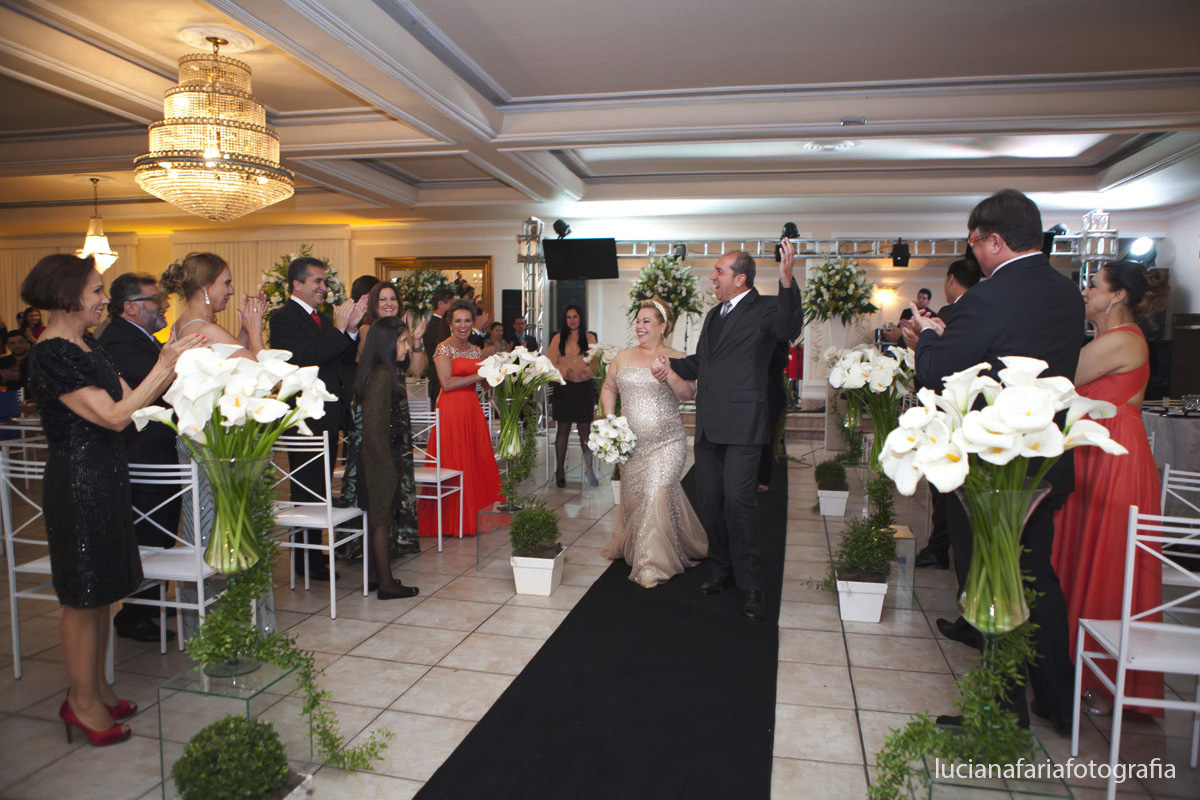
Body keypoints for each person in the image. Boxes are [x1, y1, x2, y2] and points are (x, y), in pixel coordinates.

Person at [910, 188, 1084, 731]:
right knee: (1036, 577)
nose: (974, 254)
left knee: (987, 576)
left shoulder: (984, 300)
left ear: (995, 240)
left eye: (975, 242)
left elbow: (938, 376)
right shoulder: (1066, 294)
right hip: (1045, 461)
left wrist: (927, 339)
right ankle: (1058, 699)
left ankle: (1001, 716)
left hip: (991, 467)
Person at [23, 254, 202, 746]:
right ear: (67, 295)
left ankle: (97, 688)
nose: (105, 300)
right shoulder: (52, 353)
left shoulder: (88, 347)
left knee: (103, 592)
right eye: (97, 290)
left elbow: (137, 399)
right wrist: (164, 362)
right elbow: (115, 416)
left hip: (108, 477)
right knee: (83, 598)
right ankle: (79, 703)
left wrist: (178, 363)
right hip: (78, 483)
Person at [653, 244, 802, 621]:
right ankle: (721, 570)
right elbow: (702, 362)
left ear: (740, 278)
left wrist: (787, 281)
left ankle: (753, 585)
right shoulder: (713, 315)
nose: (712, 277)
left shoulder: (767, 307)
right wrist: (666, 362)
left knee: (739, 502)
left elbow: (789, 327)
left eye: (718, 271)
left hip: (745, 425)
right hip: (709, 424)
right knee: (711, 502)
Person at [1052, 260, 1170, 717]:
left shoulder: (1122, 341)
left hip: (1113, 459)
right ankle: (1075, 666)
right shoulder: (1110, 339)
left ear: (1118, 296)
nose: (1086, 293)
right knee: (1083, 549)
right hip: (1094, 452)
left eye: (1094, 285)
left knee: (1105, 557)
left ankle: (1097, 672)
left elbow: (1063, 378)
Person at [269, 256, 368, 580]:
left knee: (321, 488)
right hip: (306, 417)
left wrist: (350, 329)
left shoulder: (320, 318)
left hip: (328, 413)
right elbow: (305, 360)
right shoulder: (283, 318)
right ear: (297, 284)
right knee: (305, 491)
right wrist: (340, 328)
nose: (324, 288)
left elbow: (338, 354)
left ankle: (316, 559)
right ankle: (306, 563)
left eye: (325, 282)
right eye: (318, 282)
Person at [599, 299, 708, 587]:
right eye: (637, 320)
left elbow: (687, 394)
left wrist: (669, 373)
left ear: (663, 326)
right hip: (631, 446)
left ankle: (652, 565)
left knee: (657, 494)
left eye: (647, 321)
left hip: (667, 443)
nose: (639, 326)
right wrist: (611, 420)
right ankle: (669, 543)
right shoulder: (622, 357)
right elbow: (609, 388)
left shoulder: (678, 356)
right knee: (638, 499)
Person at [98, 272, 179, 644]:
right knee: (148, 531)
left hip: (156, 447)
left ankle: (150, 604)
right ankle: (136, 613)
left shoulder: (141, 337)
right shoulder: (119, 340)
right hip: (142, 451)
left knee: (159, 529)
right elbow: (152, 384)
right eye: (154, 300)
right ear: (130, 307)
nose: (163, 305)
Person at [342, 280, 426, 557]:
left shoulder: (399, 333)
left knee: (397, 473)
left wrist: (414, 339)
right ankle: (366, 549)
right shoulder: (370, 331)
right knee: (378, 478)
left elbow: (415, 370)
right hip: (376, 404)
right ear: (374, 304)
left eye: (393, 298)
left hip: (396, 402)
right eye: (383, 299)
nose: (389, 303)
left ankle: (394, 541)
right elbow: (368, 365)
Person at [910, 258, 982, 570]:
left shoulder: (954, 313)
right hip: (976, 417)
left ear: (952, 280)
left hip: (953, 415)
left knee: (945, 488)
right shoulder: (982, 308)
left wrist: (923, 342)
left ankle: (940, 546)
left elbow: (935, 371)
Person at [417, 299, 503, 537]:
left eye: (467, 320)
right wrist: (478, 374)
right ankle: (451, 520)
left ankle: (473, 516)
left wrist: (495, 370)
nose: (463, 325)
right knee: (454, 459)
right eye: (458, 321)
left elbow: (483, 384)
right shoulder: (443, 349)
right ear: (450, 323)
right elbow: (447, 382)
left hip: (472, 408)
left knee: (474, 459)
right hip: (451, 409)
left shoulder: (475, 350)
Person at [354, 316, 424, 599]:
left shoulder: (383, 371)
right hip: (379, 458)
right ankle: (386, 583)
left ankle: (375, 576)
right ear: (386, 344)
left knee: (381, 518)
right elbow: (374, 429)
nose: (407, 348)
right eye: (403, 341)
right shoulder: (382, 375)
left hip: (383, 455)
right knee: (382, 520)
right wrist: (387, 467)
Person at [161, 252, 265, 357]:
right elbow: (260, 371)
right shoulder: (209, 332)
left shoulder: (179, 324)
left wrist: (245, 330)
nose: (231, 291)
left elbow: (233, 359)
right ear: (204, 285)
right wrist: (254, 330)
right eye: (227, 283)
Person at [547, 304, 599, 488]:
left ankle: (590, 470)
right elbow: (550, 364)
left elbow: (597, 363)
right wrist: (565, 371)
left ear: (580, 318)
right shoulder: (558, 338)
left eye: (575, 316)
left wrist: (587, 371)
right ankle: (560, 470)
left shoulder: (590, 337)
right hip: (564, 388)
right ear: (565, 320)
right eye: (569, 317)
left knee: (585, 431)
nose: (572, 320)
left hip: (584, 388)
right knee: (563, 430)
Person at [424, 288, 455, 407]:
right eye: (451, 303)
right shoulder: (434, 326)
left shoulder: (443, 323)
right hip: (439, 381)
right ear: (441, 304)